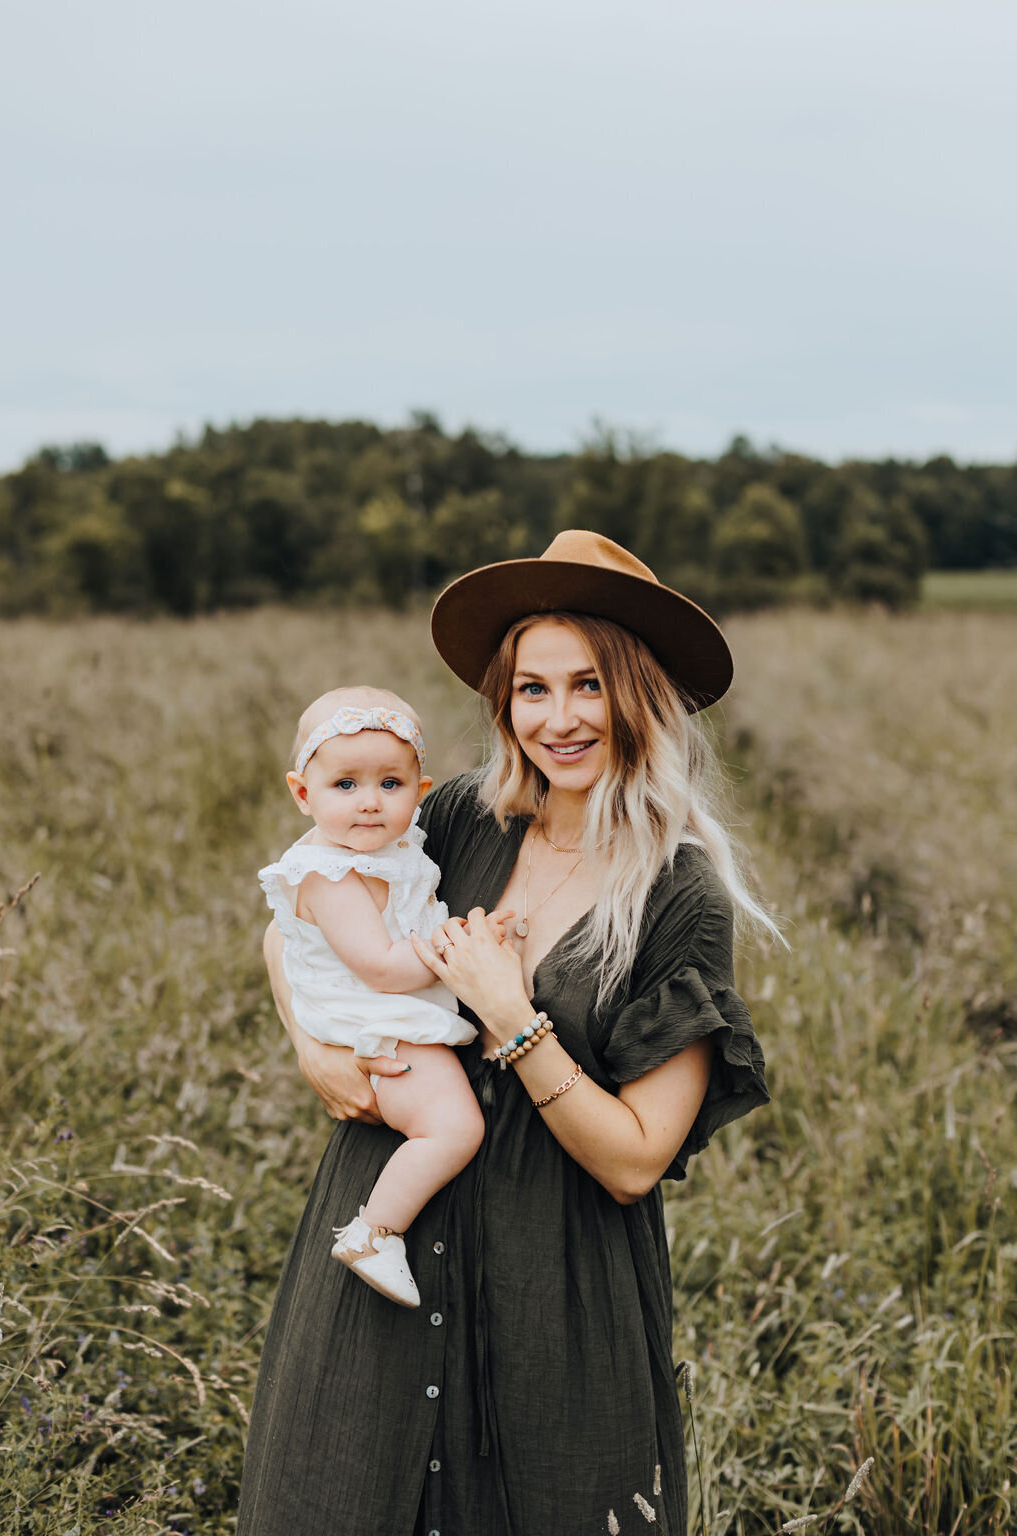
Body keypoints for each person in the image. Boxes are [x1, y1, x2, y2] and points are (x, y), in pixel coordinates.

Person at [238, 531, 775, 1536]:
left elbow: (634, 1161)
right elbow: (297, 915)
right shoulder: (454, 821)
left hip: (555, 1284)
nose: (559, 719)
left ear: (642, 695)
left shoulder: (679, 899)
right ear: (504, 700)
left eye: (588, 686)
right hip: (382, 1244)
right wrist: (312, 1043)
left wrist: (513, 1018)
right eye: (533, 688)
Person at [259, 685, 495, 1306]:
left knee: (451, 1120)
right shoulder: (329, 873)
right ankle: (376, 1231)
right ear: (302, 793)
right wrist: (462, 945)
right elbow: (383, 967)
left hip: (389, 1005)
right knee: (453, 1128)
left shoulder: (393, 850)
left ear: (421, 793)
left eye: (391, 785)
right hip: (373, 1016)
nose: (369, 804)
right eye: (345, 786)